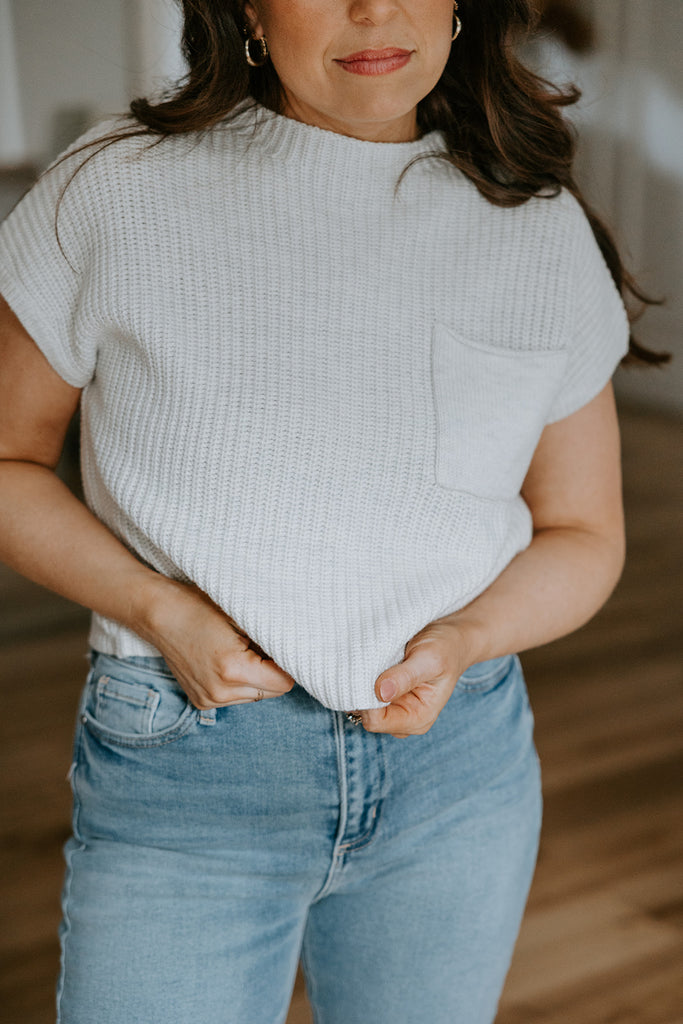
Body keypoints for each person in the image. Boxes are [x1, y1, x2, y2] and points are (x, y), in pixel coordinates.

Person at [0, 1, 666, 1022]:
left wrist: (463, 637)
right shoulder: (115, 189)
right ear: (249, 12)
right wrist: (160, 610)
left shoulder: (533, 222)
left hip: (457, 774)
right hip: (188, 768)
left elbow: (582, 533)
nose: (372, 8)